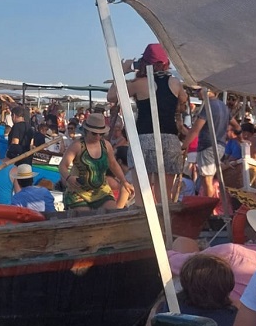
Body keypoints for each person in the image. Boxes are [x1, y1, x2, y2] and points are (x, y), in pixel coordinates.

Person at [109, 44, 187, 201]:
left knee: (142, 195)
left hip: (144, 138)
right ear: (165, 63)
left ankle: (145, 223)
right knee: (164, 196)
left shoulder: (139, 83)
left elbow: (111, 97)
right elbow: (183, 100)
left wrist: (122, 71)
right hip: (170, 139)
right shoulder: (175, 83)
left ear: (144, 63)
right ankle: (165, 225)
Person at [59, 113, 130, 215]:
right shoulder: (77, 146)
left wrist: (124, 181)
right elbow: (62, 166)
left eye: (101, 134)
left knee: (113, 214)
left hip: (101, 191)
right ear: (86, 131)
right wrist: (69, 178)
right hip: (78, 192)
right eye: (94, 133)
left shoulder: (106, 145)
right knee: (85, 218)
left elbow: (113, 164)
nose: (98, 136)